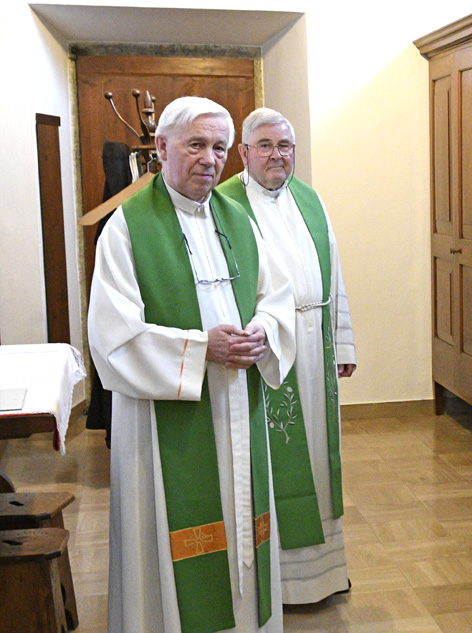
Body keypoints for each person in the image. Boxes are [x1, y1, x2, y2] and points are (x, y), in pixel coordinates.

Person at [88, 96, 295, 633]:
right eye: (196, 144)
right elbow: (114, 337)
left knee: (242, 523)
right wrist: (203, 350)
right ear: (161, 148)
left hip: (237, 406)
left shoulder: (239, 220)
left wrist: (263, 333)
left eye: (220, 148)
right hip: (167, 422)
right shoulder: (127, 227)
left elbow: (277, 296)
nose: (210, 158)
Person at [217, 108, 356, 604]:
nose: (278, 155)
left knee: (319, 457)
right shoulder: (224, 203)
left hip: (314, 345)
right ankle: (278, 581)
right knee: (273, 465)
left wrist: (342, 341)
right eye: (267, 145)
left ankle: (325, 573)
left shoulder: (309, 200)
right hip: (266, 353)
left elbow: (333, 273)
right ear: (244, 153)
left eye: (286, 146)